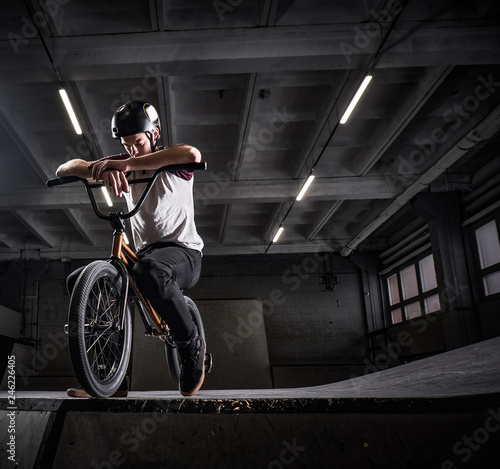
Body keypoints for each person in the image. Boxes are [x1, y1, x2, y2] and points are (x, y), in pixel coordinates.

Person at [56, 100, 205, 397]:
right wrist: (99, 167)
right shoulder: (120, 159)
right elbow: (64, 168)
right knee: (79, 281)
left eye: (137, 142)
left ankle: (191, 346)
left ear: (154, 134)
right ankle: (111, 380)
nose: (132, 150)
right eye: (126, 145)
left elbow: (192, 153)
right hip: (145, 254)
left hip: (184, 252)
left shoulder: (173, 162)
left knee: (149, 271)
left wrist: (126, 164)